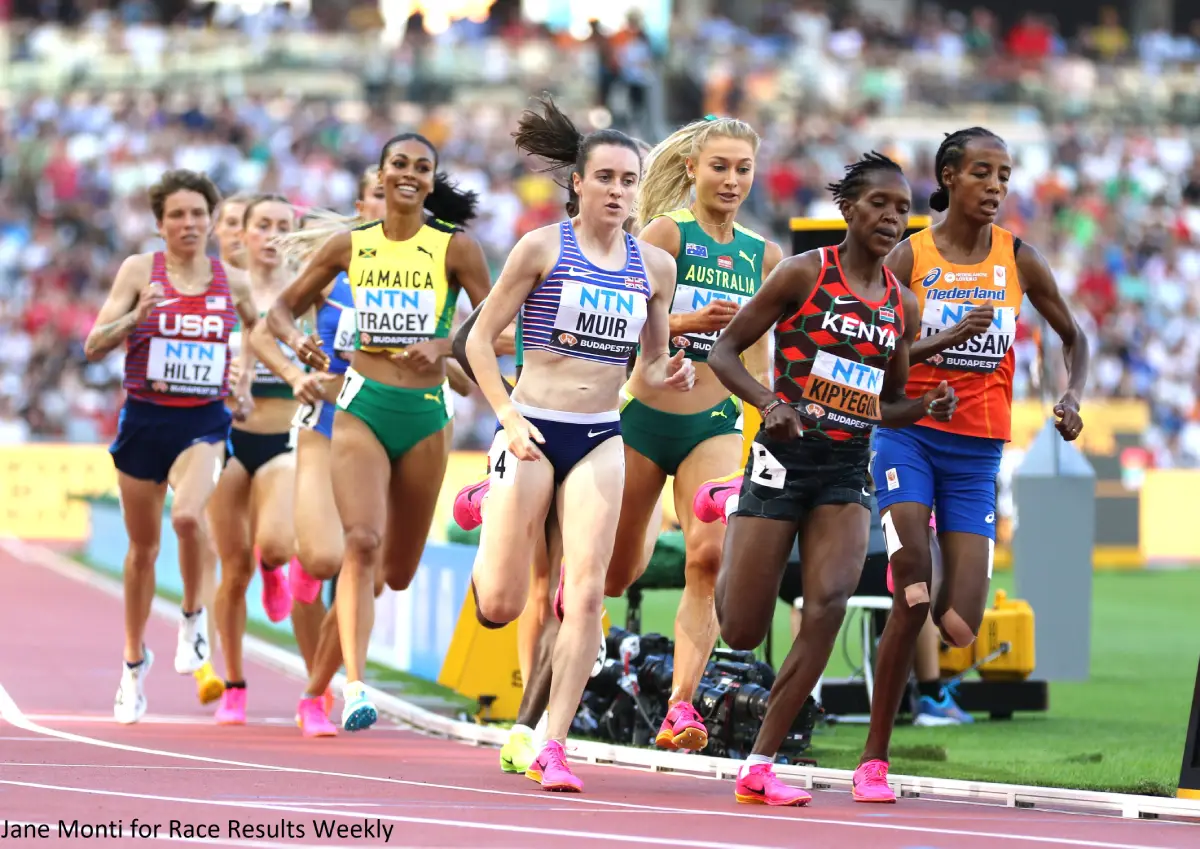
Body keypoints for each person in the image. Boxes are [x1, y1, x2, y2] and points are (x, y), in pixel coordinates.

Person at [706, 152, 957, 806]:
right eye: (879, 204)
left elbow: (888, 400)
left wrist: (924, 408)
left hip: (847, 468)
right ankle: (735, 510)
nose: (891, 218)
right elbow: (723, 350)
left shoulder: (901, 302)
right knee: (739, 627)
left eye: (903, 210)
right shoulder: (802, 275)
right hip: (781, 458)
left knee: (828, 603)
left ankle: (760, 761)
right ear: (848, 208)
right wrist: (770, 403)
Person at [464, 94, 693, 793]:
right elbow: (475, 338)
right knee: (502, 601)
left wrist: (669, 371)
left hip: (599, 437)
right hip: (531, 425)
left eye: (630, 180)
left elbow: (648, 367)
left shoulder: (653, 267)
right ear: (579, 183)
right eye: (606, 178)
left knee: (584, 591)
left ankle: (554, 743)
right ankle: (486, 499)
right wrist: (504, 414)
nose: (619, 191)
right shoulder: (540, 247)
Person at [854, 127, 1088, 802]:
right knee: (911, 591)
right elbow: (874, 354)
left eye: (1005, 176)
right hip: (910, 439)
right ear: (949, 177)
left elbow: (1074, 335)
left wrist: (1069, 396)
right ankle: (875, 758)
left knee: (959, 619)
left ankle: (925, 621)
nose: (996, 187)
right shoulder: (908, 256)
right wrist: (938, 345)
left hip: (978, 451)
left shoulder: (1018, 257)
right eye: (982, 172)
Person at [266, 134, 492, 732]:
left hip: (425, 418)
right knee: (359, 542)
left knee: (395, 572)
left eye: (423, 167)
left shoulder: (455, 249)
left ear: (431, 180)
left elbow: (495, 325)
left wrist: (443, 345)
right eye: (400, 164)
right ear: (383, 175)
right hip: (359, 405)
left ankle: (323, 684)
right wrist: (298, 346)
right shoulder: (350, 245)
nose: (410, 174)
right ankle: (349, 688)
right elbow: (279, 312)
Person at [600, 115, 782, 752]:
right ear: (692, 171)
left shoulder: (765, 257)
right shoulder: (664, 235)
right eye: (720, 167)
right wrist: (690, 322)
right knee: (619, 573)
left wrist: (765, 429)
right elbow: (624, 325)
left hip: (717, 425)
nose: (732, 180)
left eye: (743, 169)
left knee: (708, 557)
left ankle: (681, 708)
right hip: (644, 420)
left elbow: (759, 363)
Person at [84, 169, 259, 724]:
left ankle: (191, 618)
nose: (189, 223)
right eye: (177, 215)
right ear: (160, 225)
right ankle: (134, 664)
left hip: (203, 423)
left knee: (188, 518)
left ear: (211, 221)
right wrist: (137, 317)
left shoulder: (233, 281)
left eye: (198, 214)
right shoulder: (140, 271)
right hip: (144, 422)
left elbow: (255, 332)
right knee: (142, 553)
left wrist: (245, 383)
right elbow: (93, 345)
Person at [207, 194, 328, 725]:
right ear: (245, 234)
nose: (273, 235)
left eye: (285, 226)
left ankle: (274, 566)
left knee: (277, 544)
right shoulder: (219, 292)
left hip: (285, 437)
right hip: (226, 439)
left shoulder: (308, 292)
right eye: (263, 225)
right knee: (232, 571)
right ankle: (234, 684)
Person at [277, 168, 389, 737]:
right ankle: (298, 571)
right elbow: (267, 323)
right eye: (379, 191)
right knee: (323, 559)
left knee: (367, 574)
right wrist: (296, 361)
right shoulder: (334, 265)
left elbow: (460, 356)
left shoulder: (431, 271)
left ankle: (315, 694)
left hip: (389, 426)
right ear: (362, 201)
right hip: (325, 421)